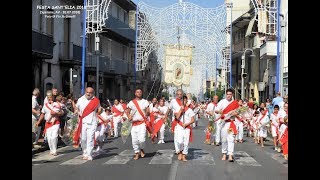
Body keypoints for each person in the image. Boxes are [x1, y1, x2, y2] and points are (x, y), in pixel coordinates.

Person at [73, 87, 101, 161]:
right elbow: (76, 108)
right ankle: (84, 152)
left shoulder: (96, 100)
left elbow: (99, 109)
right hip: (83, 122)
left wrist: (98, 113)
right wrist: (76, 111)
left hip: (92, 122)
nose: (88, 94)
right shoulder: (80, 99)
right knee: (83, 139)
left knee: (90, 138)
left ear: (93, 93)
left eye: (90, 92)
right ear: (85, 92)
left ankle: (89, 154)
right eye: (87, 92)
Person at [214, 88, 239, 162]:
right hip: (224, 123)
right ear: (226, 95)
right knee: (224, 139)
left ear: (232, 95)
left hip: (231, 123)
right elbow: (216, 110)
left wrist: (235, 113)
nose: (229, 96)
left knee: (230, 139)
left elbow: (238, 112)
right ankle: (224, 153)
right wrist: (220, 111)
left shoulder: (235, 103)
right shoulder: (222, 102)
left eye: (230, 94)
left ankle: (230, 155)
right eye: (227, 94)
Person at [126, 88, 150, 160]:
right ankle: (137, 153)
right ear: (135, 93)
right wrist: (129, 116)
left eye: (140, 92)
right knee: (134, 140)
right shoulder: (131, 102)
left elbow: (148, 111)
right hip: (134, 124)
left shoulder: (145, 102)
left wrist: (147, 113)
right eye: (137, 92)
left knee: (142, 140)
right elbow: (127, 111)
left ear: (141, 93)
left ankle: (142, 148)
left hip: (142, 123)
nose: (139, 93)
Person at [172, 95, 195, 161]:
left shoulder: (190, 110)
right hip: (179, 126)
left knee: (186, 142)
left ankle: (184, 155)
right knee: (179, 141)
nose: (183, 102)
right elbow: (177, 117)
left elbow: (193, 120)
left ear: (186, 101)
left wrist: (187, 124)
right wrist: (181, 110)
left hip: (187, 127)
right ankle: (180, 152)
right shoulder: (178, 108)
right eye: (182, 100)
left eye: (185, 100)